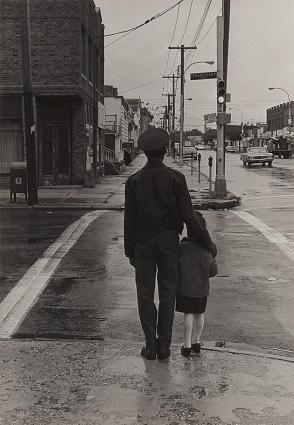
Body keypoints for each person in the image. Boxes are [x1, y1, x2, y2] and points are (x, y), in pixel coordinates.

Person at [124, 128, 216, 361]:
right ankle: (164, 347)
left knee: (145, 294)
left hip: (142, 243)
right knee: (168, 294)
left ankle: (150, 346)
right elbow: (189, 216)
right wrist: (207, 243)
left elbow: (129, 220)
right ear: (165, 151)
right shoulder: (176, 179)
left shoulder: (133, 181)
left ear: (144, 152)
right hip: (168, 242)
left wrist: (130, 252)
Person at [176, 211, 218, 357]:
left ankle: (186, 345)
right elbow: (213, 271)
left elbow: (176, 267)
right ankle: (197, 342)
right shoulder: (207, 249)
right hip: (202, 288)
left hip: (186, 288)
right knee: (199, 314)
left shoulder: (182, 248)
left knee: (188, 314)